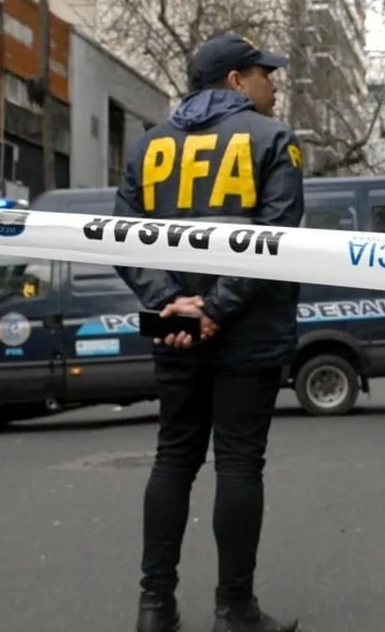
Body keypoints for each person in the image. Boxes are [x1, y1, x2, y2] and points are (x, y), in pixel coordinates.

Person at [112, 33, 305, 632]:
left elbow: (123, 233)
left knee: (173, 460)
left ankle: (154, 608)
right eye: (263, 74)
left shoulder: (148, 148)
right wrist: (217, 309)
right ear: (234, 81)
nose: (272, 84)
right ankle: (235, 610)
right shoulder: (274, 140)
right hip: (248, 332)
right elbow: (276, 237)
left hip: (177, 334)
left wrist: (172, 304)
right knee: (240, 465)